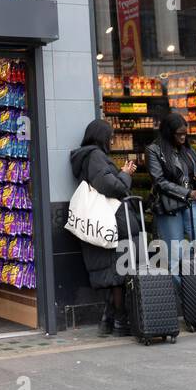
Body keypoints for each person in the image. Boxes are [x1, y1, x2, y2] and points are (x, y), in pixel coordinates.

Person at [70, 120, 140, 336]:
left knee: (113, 275)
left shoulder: (87, 157)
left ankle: (107, 321)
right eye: (109, 137)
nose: (111, 140)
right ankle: (119, 321)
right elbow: (110, 186)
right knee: (117, 275)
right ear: (100, 136)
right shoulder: (96, 156)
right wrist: (126, 175)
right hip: (110, 223)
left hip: (98, 223)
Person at [146, 111, 196, 278]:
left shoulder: (188, 151)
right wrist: (189, 192)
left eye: (185, 134)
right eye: (179, 134)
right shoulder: (153, 150)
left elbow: (192, 174)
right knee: (176, 254)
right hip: (169, 205)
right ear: (169, 132)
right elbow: (159, 181)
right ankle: (181, 296)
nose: (183, 138)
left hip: (191, 202)